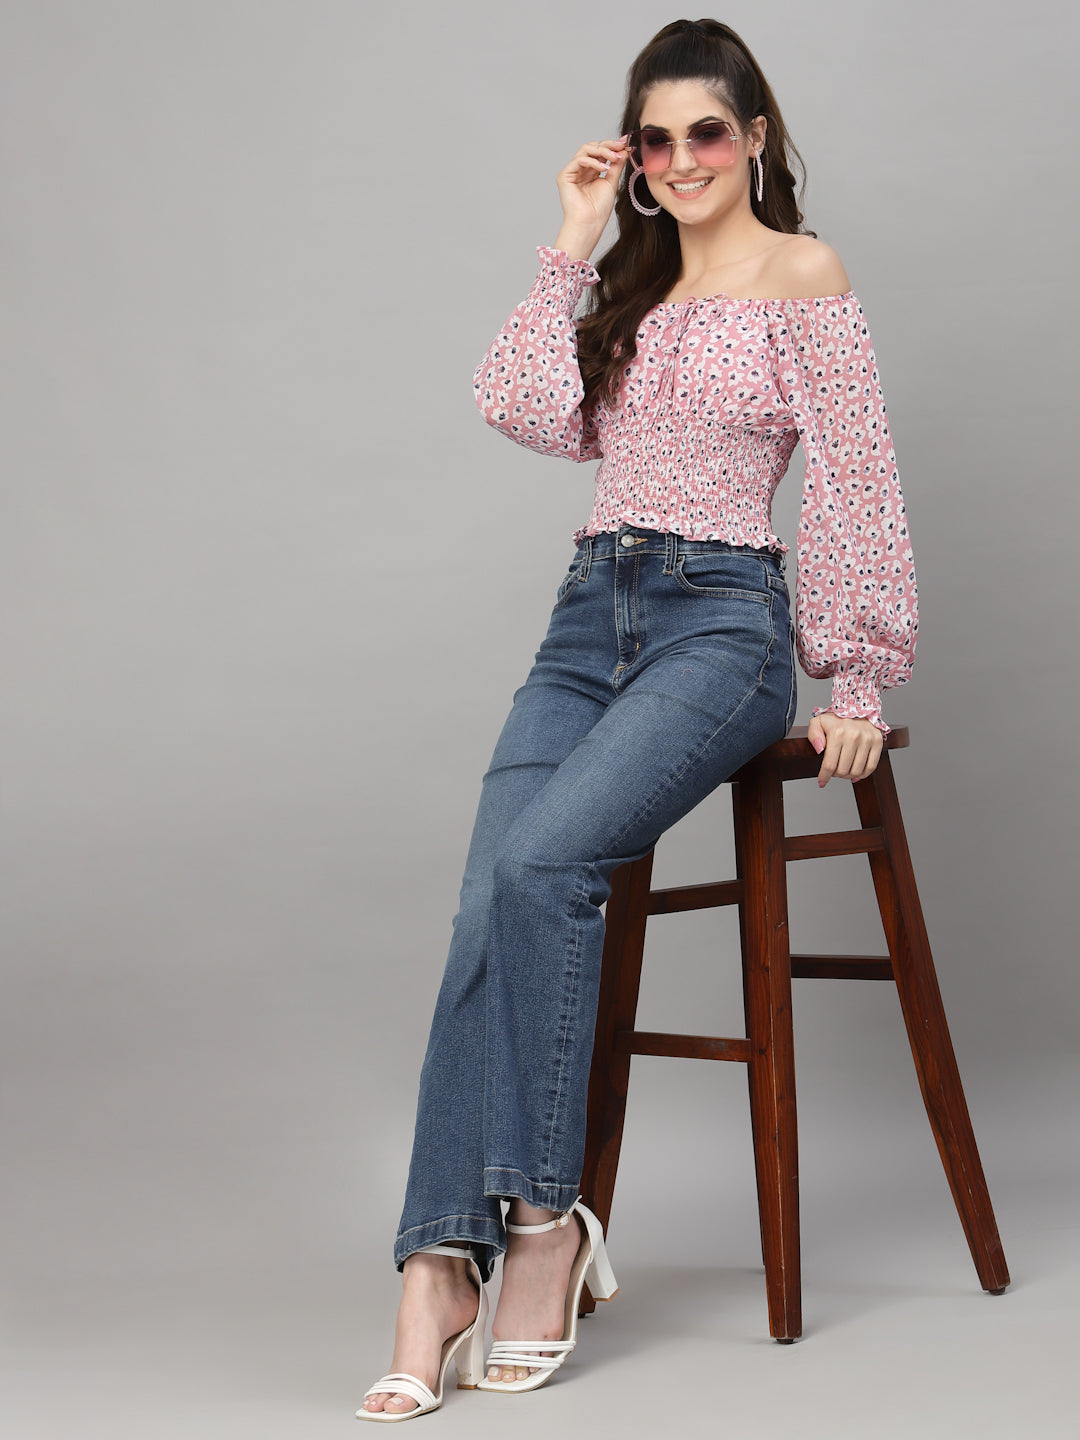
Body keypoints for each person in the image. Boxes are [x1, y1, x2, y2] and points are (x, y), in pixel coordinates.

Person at [358, 16, 918, 1420]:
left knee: (548, 867)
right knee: (493, 892)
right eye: (654, 140)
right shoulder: (626, 280)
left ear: (757, 139)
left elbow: (854, 474)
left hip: (722, 627)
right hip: (582, 621)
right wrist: (572, 235)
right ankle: (437, 1260)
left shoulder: (806, 276)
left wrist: (856, 674)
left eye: (705, 136)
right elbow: (519, 404)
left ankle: (543, 1227)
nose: (679, 162)